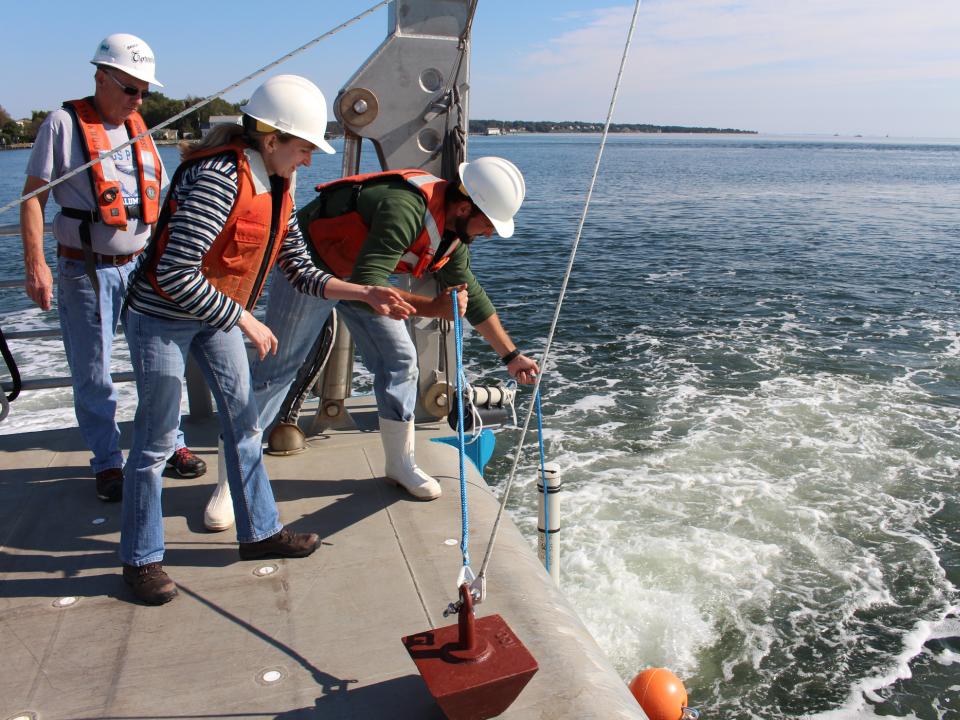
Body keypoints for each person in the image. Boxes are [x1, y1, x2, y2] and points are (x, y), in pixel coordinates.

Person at [119, 74, 415, 605]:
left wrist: (364, 292)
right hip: (161, 318)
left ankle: (259, 532)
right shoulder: (218, 179)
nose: (307, 160)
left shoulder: (277, 187)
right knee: (157, 441)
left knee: (244, 423)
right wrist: (245, 319)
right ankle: (142, 559)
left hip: (216, 317)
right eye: (303, 148)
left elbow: (300, 268)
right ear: (272, 139)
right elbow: (175, 272)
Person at [206, 155, 539, 520]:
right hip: (311, 270)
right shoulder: (404, 209)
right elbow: (370, 286)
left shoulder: (452, 235)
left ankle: (400, 464)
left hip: (362, 278)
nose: (489, 233)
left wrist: (511, 356)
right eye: (488, 224)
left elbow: (471, 297)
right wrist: (432, 307)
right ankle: (230, 483)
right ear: (463, 208)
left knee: (400, 360)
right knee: (278, 369)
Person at [19, 33, 206, 504]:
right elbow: (33, 200)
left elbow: (161, 200)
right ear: (101, 78)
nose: (138, 99)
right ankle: (106, 463)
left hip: (142, 268)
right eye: (130, 89)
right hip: (86, 270)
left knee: (160, 361)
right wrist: (35, 264)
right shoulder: (61, 126)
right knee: (94, 371)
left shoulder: (139, 128)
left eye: (143, 90)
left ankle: (172, 444)